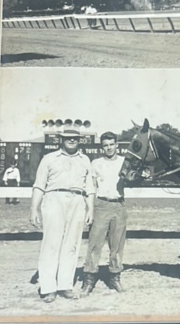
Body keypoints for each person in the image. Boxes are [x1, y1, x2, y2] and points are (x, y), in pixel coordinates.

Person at [30, 127, 94, 304]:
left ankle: (65, 285)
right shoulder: (49, 158)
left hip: (78, 201)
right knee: (51, 244)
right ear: (61, 140)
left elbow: (90, 188)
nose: (71, 141)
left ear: (79, 140)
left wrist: (91, 209)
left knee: (71, 245)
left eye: (75, 138)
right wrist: (33, 209)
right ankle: (48, 288)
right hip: (54, 199)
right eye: (68, 138)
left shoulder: (85, 160)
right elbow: (39, 185)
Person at [82, 132, 127, 293]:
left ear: (117, 145)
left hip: (119, 205)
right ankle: (89, 278)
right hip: (101, 204)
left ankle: (115, 277)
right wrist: (91, 209)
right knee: (94, 243)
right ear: (102, 147)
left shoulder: (124, 161)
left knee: (117, 245)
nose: (109, 147)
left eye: (111, 144)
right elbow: (91, 187)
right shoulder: (96, 163)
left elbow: (135, 177)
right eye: (105, 145)